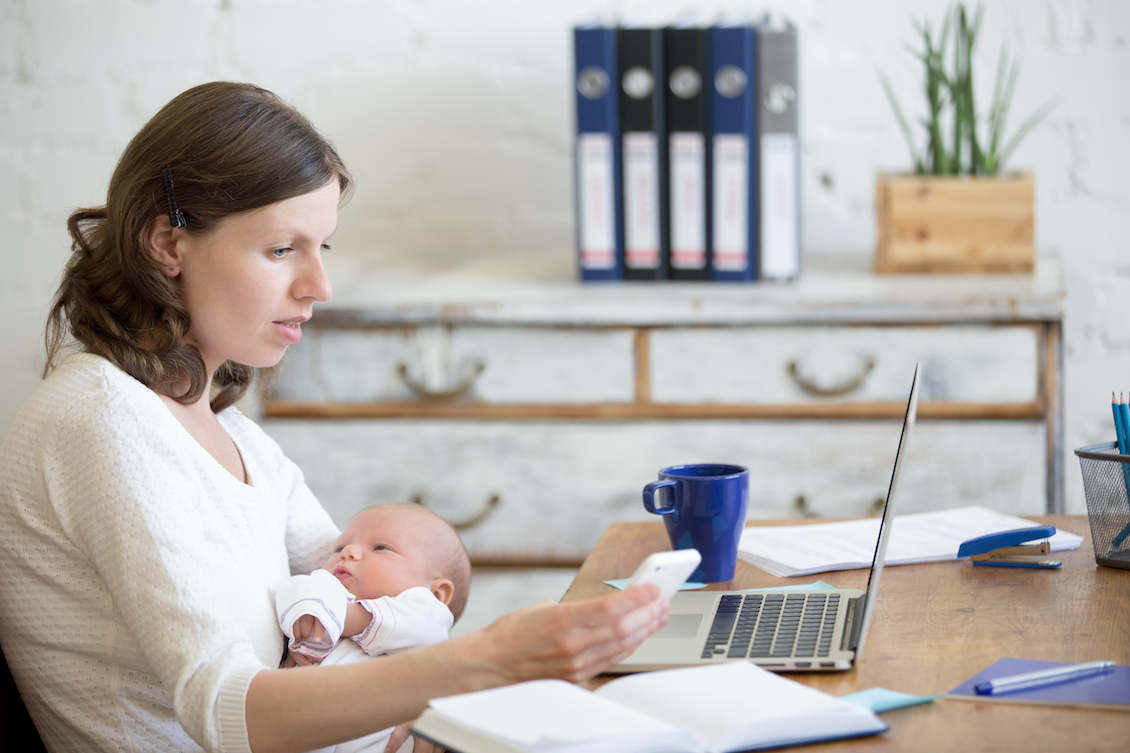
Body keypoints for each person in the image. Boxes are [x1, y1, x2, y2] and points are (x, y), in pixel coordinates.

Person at [0, 81, 667, 753]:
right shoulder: (100, 419)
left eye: (323, 247)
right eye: (281, 249)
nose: (319, 286)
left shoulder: (244, 446)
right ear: (168, 245)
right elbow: (231, 711)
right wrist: (488, 659)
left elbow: (374, 605)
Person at [275, 503, 472, 753]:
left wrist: (345, 617)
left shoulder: (424, 613)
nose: (348, 552)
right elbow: (291, 590)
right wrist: (306, 611)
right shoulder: (324, 589)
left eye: (380, 547)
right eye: (339, 547)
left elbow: (425, 628)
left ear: (436, 593)